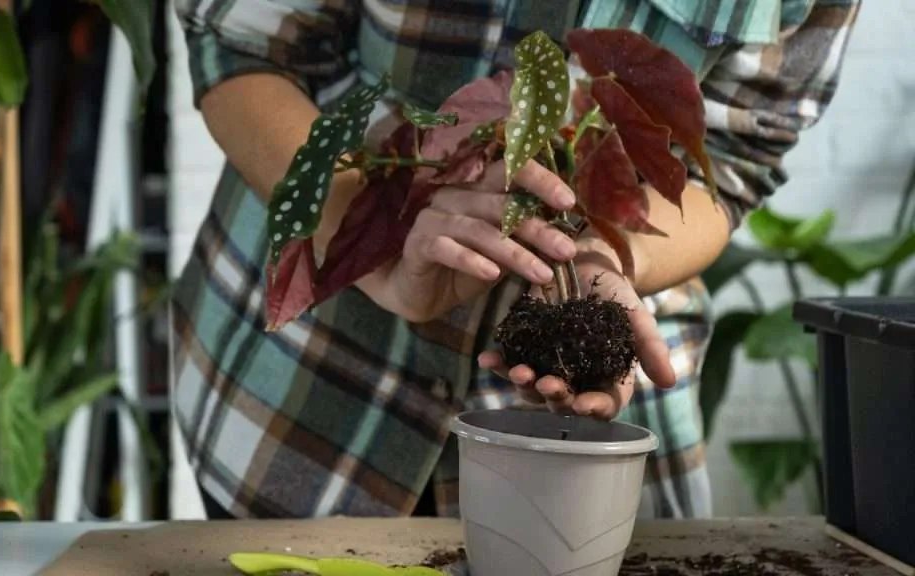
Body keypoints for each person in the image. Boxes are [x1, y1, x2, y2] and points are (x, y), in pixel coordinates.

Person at [170, 0, 860, 519]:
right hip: (302, 403)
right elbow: (239, 41)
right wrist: (367, 239)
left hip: (582, 470)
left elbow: (736, 158)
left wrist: (606, 255)